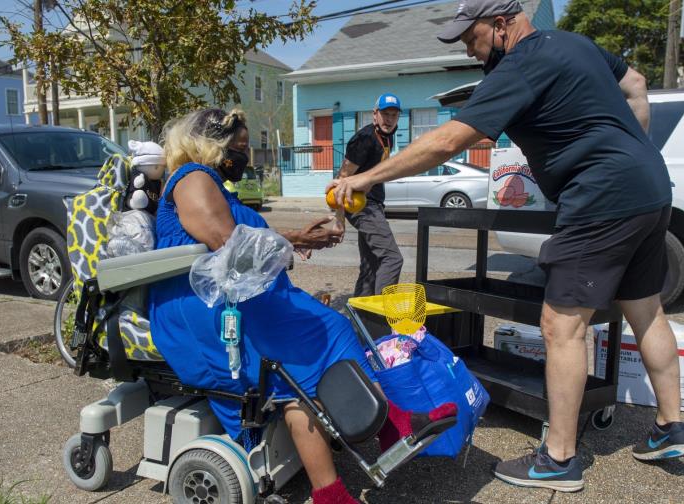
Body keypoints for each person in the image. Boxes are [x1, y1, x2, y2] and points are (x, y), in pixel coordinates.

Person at [327, 0, 684, 493]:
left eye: (471, 38)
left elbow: (447, 142)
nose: (469, 49)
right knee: (645, 310)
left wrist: (368, 177)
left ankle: (559, 458)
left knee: (561, 325)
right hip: (652, 189)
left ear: (501, 26)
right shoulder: (572, 43)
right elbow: (636, 85)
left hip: (601, 198)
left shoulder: (520, 65)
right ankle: (671, 426)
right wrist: (635, 154)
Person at [149, 108, 456, 504]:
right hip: (203, 310)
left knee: (328, 334)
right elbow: (230, 244)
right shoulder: (193, 179)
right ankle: (363, 457)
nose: (245, 157)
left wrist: (297, 238)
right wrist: (286, 244)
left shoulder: (214, 186)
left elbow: (244, 237)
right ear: (212, 145)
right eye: (240, 148)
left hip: (237, 298)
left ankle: (383, 434)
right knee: (307, 354)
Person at [334, 93, 404, 296]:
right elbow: (342, 177)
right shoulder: (364, 139)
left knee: (371, 266)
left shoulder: (387, 136)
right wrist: (338, 219)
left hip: (373, 204)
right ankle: (382, 317)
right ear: (375, 115)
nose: (389, 119)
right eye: (385, 114)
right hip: (361, 205)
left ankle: (360, 323)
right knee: (392, 258)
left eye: (393, 115)